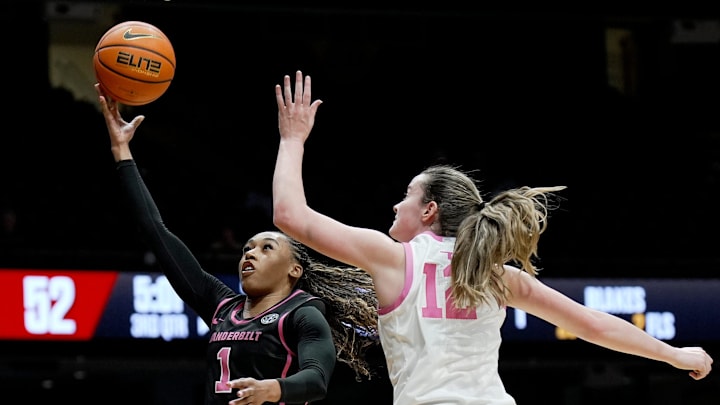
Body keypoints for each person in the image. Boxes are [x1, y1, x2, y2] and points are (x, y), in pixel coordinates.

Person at [270, 71, 714, 404]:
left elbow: (290, 215)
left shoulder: (393, 259)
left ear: (430, 211)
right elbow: (593, 324)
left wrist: (293, 139)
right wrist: (673, 355)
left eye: (406, 196)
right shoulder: (498, 276)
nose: (395, 205)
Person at [94, 83, 379, 405]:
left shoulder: (302, 314)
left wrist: (273, 388)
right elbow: (156, 232)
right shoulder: (221, 307)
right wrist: (122, 151)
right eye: (247, 248)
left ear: (294, 270)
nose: (250, 254)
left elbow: (315, 379)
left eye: (266, 247)